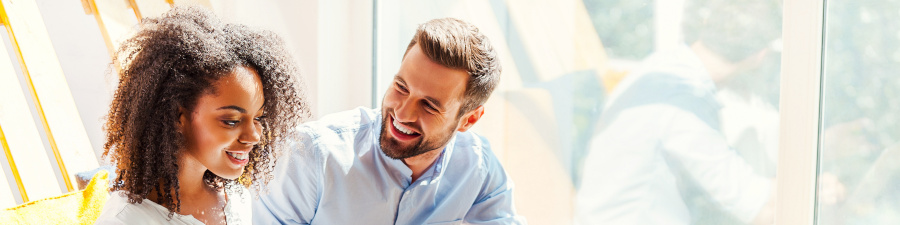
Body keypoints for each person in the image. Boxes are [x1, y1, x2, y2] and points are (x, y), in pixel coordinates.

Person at [253, 18, 525, 224]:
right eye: (401, 87)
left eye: (429, 105)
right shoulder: (311, 154)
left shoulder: (478, 166)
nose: (403, 114)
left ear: (469, 119)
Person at [574, 0, 781, 224]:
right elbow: (758, 207)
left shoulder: (662, 70)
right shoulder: (682, 101)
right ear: (760, 57)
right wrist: (813, 188)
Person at [95, 7, 308, 225]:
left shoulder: (236, 198)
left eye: (258, 119)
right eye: (231, 121)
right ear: (179, 115)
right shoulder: (127, 220)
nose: (254, 136)